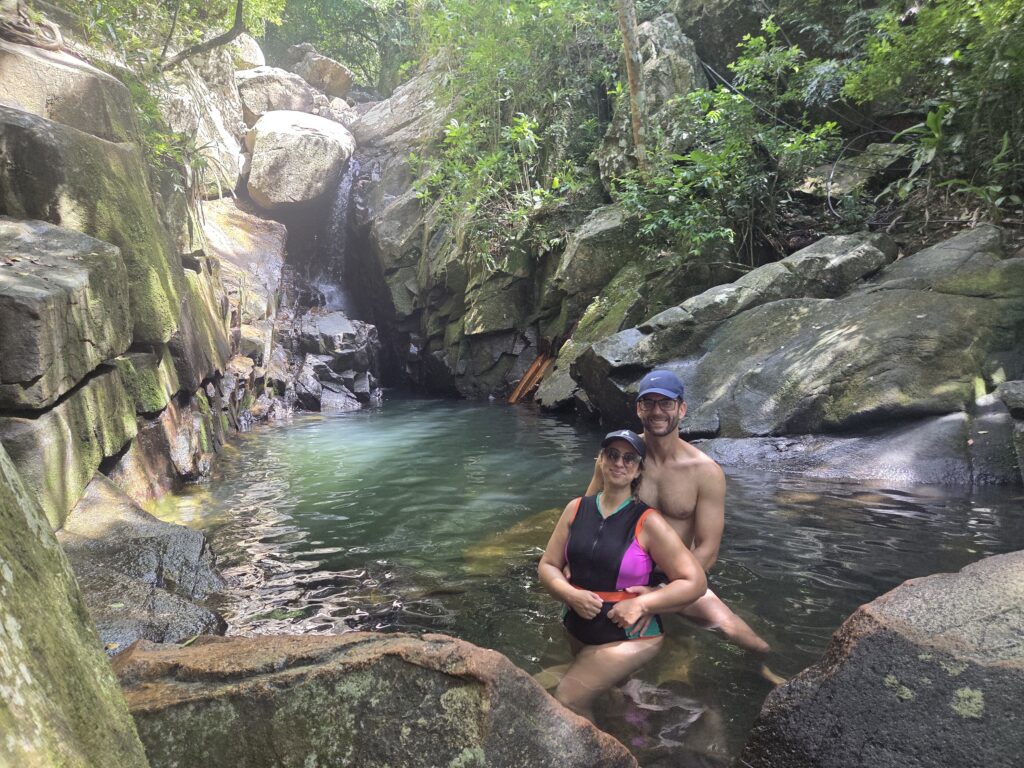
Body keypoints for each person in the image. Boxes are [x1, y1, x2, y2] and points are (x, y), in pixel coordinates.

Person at [586, 370, 771, 655]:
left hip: (673, 577)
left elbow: (708, 550)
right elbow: (587, 518)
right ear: (638, 409)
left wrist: (658, 597)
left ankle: (767, 673)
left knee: (744, 638)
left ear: (681, 409)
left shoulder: (705, 472)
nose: (657, 411)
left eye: (666, 403)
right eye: (648, 403)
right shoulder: (618, 458)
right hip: (618, 571)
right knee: (613, 654)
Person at [538, 429, 707, 721]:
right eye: (612, 455)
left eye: (629, 458)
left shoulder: (648, 521)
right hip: (577, 626)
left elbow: (696, 582)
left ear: (639, 469)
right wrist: (570, 594)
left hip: (629, 637)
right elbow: (547, 565)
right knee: (605, 696)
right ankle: (629, 732)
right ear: (600, 460)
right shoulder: (576, 509)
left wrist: (643, 604)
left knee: (567, 699)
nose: (619, 463)